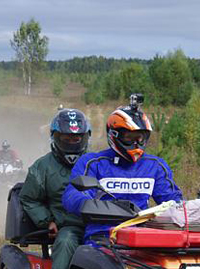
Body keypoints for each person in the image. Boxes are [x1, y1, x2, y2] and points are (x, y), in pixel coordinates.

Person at [63, 96, 183, 244]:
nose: (135, 142)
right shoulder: (93, 163)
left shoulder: (155, 166)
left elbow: (171, 200)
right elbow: (72, 195)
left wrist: (189, 208)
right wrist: (95, 207)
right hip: (102, 237)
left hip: (142, 238)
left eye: (140, 137)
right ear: (114, 134)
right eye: (130, 137)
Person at [19, 108, 91, 269]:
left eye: (77, 138)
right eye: (66, 138)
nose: (72, 142)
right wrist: (47, 221)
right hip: (69, 228)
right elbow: (29, 199)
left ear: (85, 137)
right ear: (56, 137)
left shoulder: (95, 162)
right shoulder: (42, 167)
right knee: (65, 245)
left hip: (102, 226)